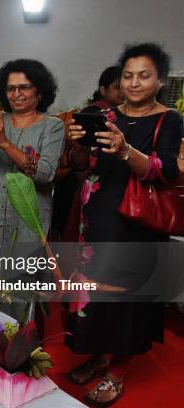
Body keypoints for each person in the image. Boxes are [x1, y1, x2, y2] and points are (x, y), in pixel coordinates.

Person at [65, 43, 182, 407]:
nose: (134, 83)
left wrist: (125, 149)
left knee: (128, 297)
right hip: (97, 215)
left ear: (159, 80)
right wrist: (77, 146)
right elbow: (86, 166)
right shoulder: (106, 114)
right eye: (128, 75)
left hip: (138, 222)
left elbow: (162, 172)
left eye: (143, 75)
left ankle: (119, 369)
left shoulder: (169, 120)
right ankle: (99, 353)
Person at [0, 59, 64, 247]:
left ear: (39, 91)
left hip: (28, 221)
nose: (16, 94)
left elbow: (44, 173)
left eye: (24, 87)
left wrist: (4, 143)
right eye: (10, 88)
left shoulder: (53, 126)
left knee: (24, 274)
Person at [51, 66, 124, 240]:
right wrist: (88, 184)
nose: (123, 91)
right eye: (117, 87)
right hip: (79, 183)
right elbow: (83, 151)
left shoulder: (123, 115)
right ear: (103, 89)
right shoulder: (94, 113)